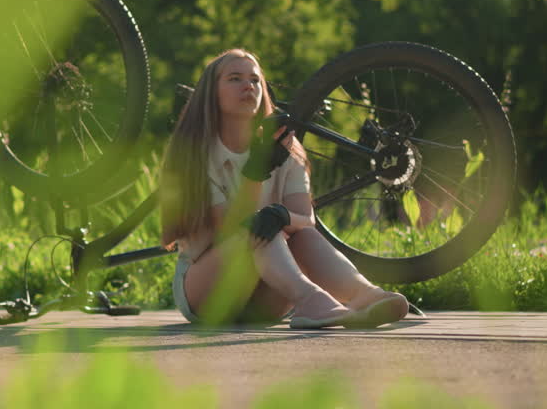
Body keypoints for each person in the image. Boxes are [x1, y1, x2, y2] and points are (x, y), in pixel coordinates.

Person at [160, 48, 410, 329]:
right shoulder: (194, 154)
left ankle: (364, 296)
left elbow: (307, 219)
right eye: (234, 79)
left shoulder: (287, 148)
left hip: (269, 296)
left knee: (301, 234)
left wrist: (282, 215)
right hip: (206, 290)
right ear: (211, 92)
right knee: (257, 230)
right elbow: (230, 228)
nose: (248, 86)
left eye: (255, 80)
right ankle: (312, 300)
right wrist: (257, 170)